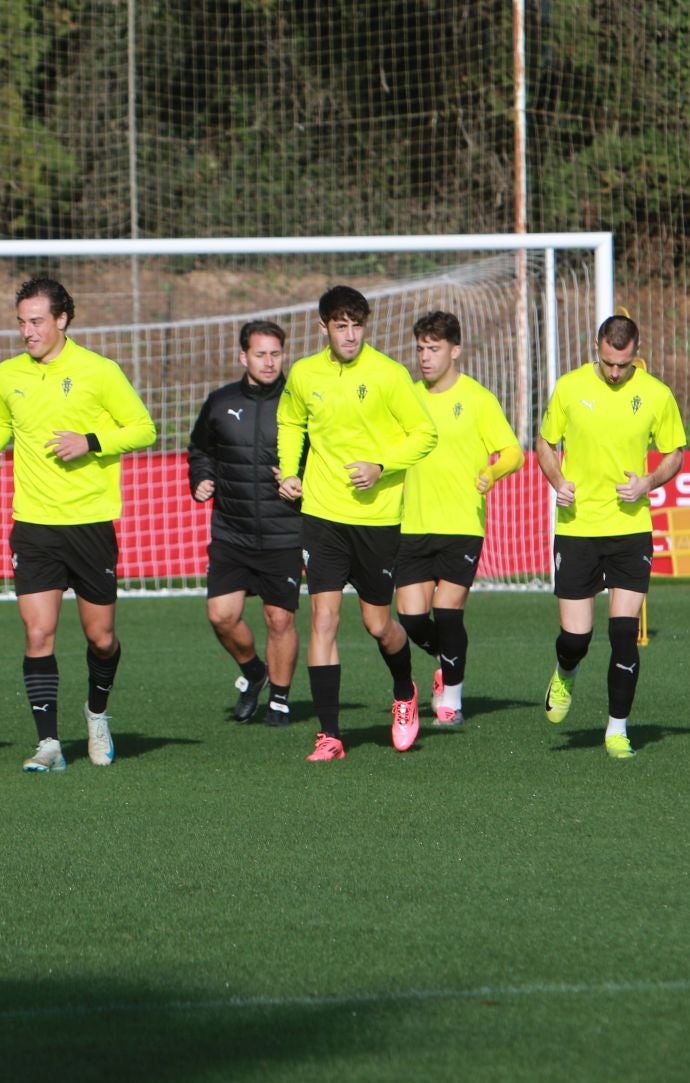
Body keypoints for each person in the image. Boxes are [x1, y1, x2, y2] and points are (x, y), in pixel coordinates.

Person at [0, 278, 157, 772]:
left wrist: (91, 441)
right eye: (20, 321)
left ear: (62, 320)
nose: (26, 331)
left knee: (101, 638)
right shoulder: (7, 374)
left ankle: (97, 714)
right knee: (39, 635)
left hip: (90, 523)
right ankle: (49, 743)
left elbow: (143, 427)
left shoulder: (99, 371)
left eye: (35, 321)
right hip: (33, 525)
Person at [275, 286, 436, 761]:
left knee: (377, 623)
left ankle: (405, 690)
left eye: (357, 326)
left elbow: (424, 433)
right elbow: (290, 422)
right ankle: (329, 735)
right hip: (322, 516)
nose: (350, 335)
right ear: (322, 326)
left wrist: (381, 466)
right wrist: (289, 470)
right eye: (341, 326)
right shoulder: (305, 374)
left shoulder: (388, 374)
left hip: (378, 518)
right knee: (323, 619)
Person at [535, 313, 686, 758]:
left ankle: (617, 729)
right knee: (577, 639)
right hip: (578, 528)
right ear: (596, 348)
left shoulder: (656, 394)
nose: (615, 372)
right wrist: (557, 480)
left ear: (635, 353)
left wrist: (648, 482)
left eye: (623, 364)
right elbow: (545, 443)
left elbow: (675, 452)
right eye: (607, 363)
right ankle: (565, 671)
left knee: (624, 634)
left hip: (630, 530)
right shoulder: (569, 387)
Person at [394, 311, 522, 726]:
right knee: (412, 618)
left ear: (455, 350)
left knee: (448, 612)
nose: (425, 358)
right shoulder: (406, 397)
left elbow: (513, 452)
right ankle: (447, 658)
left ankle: (451, 698)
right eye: (420, 349)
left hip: (462, 525)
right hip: (411, 524)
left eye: (434, 349)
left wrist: (491, 472)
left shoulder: (479, 399)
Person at [187, 319, 302, 726]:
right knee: (221, 615)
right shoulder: (220, 402)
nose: (269, 362)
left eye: (275, 354)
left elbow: (322, 457)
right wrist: (200, 478)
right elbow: (200, 449)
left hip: (283, 530)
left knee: (280, 618)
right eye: (260, 354)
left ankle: (281, 701)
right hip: (231, 530)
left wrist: (303, 482)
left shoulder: (300, 401)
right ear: (243, 357)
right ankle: (255, 673)